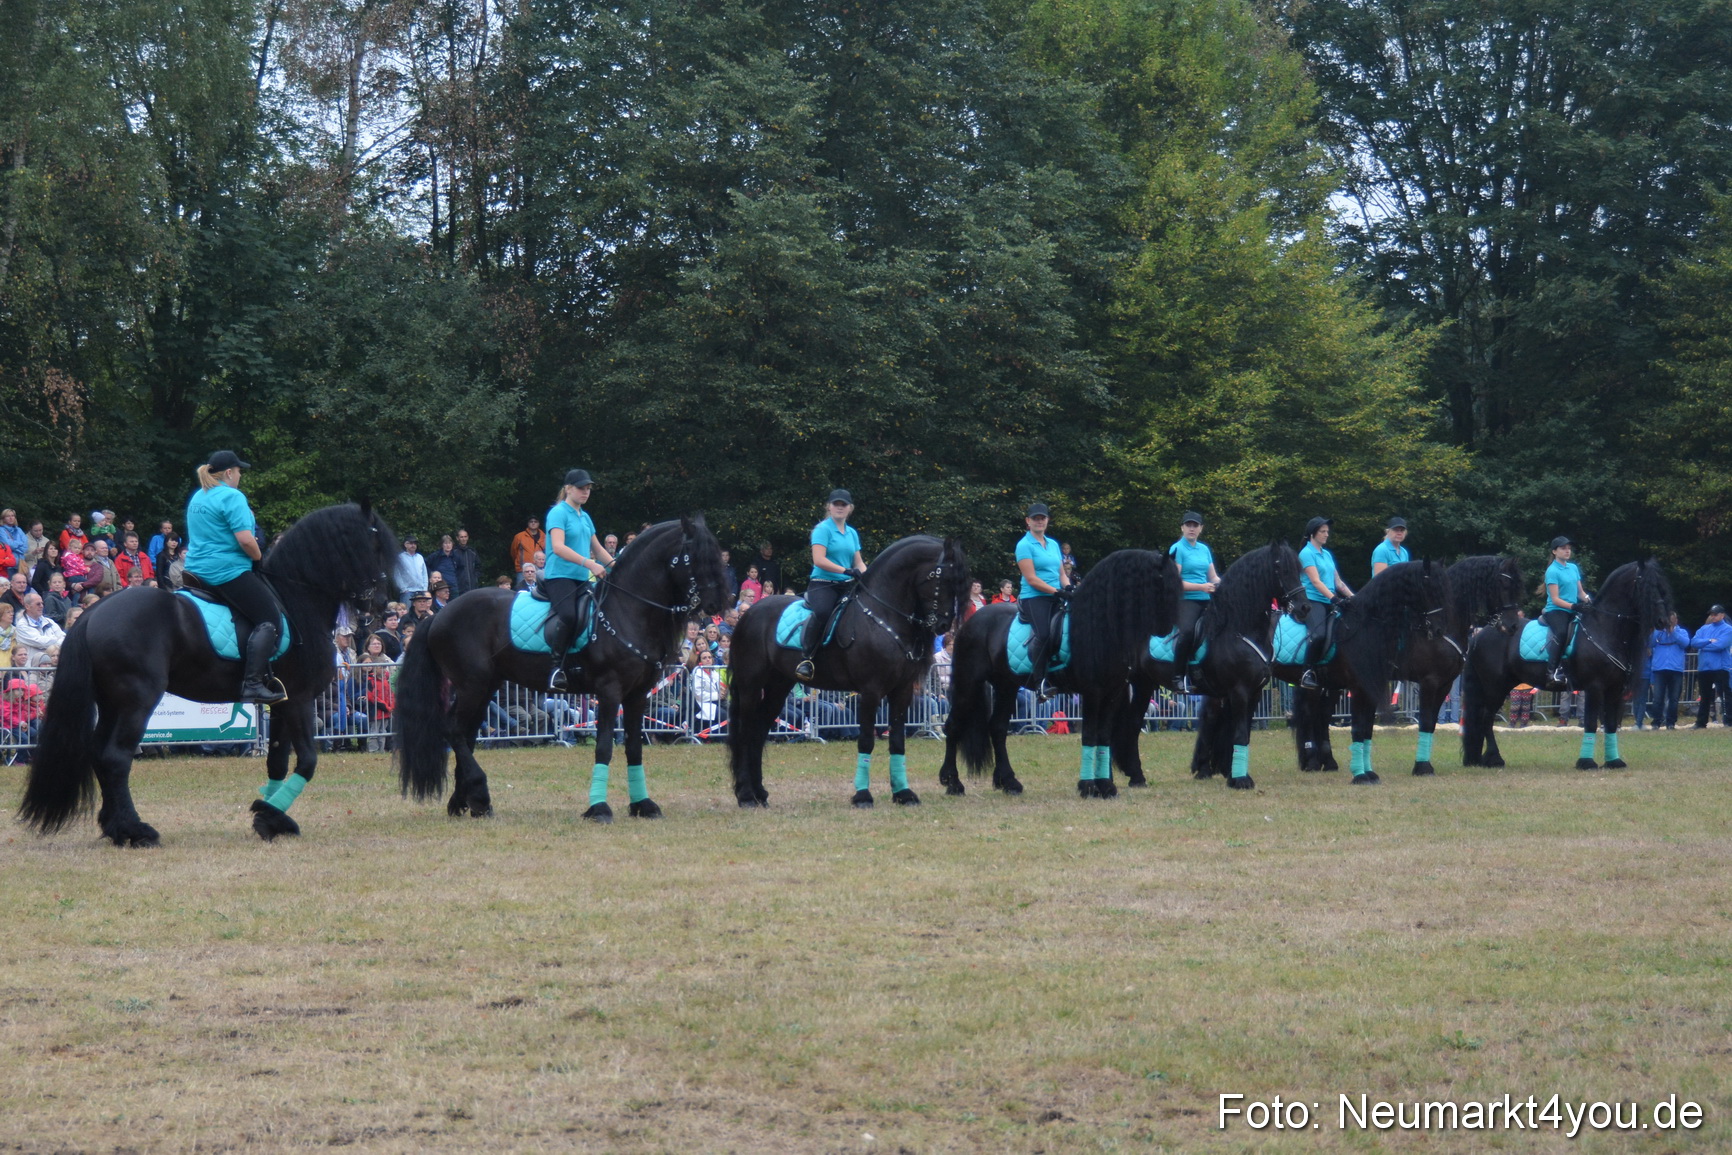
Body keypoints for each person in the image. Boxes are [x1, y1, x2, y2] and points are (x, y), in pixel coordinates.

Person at [184, 449, 285, 703]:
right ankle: (252, 684)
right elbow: (246, 541)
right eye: (239, 470)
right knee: (269, 617)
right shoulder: (232, 496)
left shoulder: (199, 496)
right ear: (229, 472)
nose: (240, 475)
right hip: (226, 572)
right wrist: (259, 558)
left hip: (196, 570)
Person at [543, 469, 614, 690]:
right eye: (581, 488)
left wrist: (617, 568)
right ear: (568, 489)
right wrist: (589, 563)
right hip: (559, 576)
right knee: (569, 615)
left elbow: (599, 549)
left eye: (588, 488)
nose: (585, 492)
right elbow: (558, 547)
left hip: (581, 579)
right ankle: (555, 668)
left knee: (597, 616)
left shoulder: (585, 517)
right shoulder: (558, 513)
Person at [795, 489, 867, 681]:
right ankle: (806, 659)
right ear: (829, 506)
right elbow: (818, 559)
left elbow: (858, 562)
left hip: (847, 584)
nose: (839, 507)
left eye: (843, 504)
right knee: (823, 612)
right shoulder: (822, 529)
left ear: (850, 508)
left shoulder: (852, 533)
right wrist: (845, 570)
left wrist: (868, 577)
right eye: (836, 504)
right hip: (823, 583)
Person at [1014, 501, 1070, 687]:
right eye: (1035, 518)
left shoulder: (1053, 544)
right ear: (1028, 521)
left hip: (1057, 594)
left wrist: (1069, 588)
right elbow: (1031, 579)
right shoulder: (1024, 545)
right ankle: (1040, 681)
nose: (1039, 521)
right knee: (1044, 634)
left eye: (1042, 518)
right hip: (1034, 597)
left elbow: (1061, 573)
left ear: (1047, 520)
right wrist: (1058, 591)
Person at [1298, 516, 1352, 689]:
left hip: (1330, 600)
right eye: (1323, 531)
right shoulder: (1306, 553)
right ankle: (1307, 672)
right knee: (1319, 635)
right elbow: (1315, 581)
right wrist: (1334, 598)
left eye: (1327, 532)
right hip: (1313, 601)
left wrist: (1354, 599)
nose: (1326, 535)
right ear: (1312, 533)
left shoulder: (1327, 554)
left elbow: (1338, 582)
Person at [1168, 511, 1219, 674]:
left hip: (1207, 598)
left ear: (1201, 529)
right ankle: (1178, 674)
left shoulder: (1204, 549)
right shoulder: (1177, 549)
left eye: (1195, 525)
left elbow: (1213, 576)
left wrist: (1227, 585)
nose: (1191, 528)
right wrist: (1202, 587)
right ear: (1182, 528)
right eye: (1188, 525)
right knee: (1188, 631)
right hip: (1186, 599)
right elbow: (1174, 582)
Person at [1543, 535, 1588, 685]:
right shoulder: (1552, 571)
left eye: (1569, 548)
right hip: (1556, 610)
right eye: (1563, 548)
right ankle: (1551, 671)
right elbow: (1555, 599)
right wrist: (1573, 606)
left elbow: (1580, 593)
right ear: (1554, 551)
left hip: (1572, 609)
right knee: (1561, 633)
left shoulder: (1573, 568)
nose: (1567, 551)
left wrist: (1592, 603)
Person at [1691, 604, 1732, 729]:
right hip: (1704, 667)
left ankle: (1728, 720)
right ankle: (1701, 722)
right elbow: (1693, 642)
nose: (1713, 616)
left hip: (1720, 667)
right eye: (1712, 614)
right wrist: (1709, 641)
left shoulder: (1728, 629)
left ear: (1722, 615)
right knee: (1705, 696)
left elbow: (1720, 645)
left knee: (1725, 695)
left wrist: (1703, 645)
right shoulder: (1704, 628)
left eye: (1715, 614)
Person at [1648, 612, 1688, 730]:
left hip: (1676, 669)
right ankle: (1656, 721)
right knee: (1658, 698)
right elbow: (1650, 643)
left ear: (1676, 620)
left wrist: (1673, 632)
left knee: (1674, 698)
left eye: (1671, 620)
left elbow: (1685, 643)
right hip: (1660, 669)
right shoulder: (1658, 633)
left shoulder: (1682, 632)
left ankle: (1670, 722)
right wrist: (1659, 630)